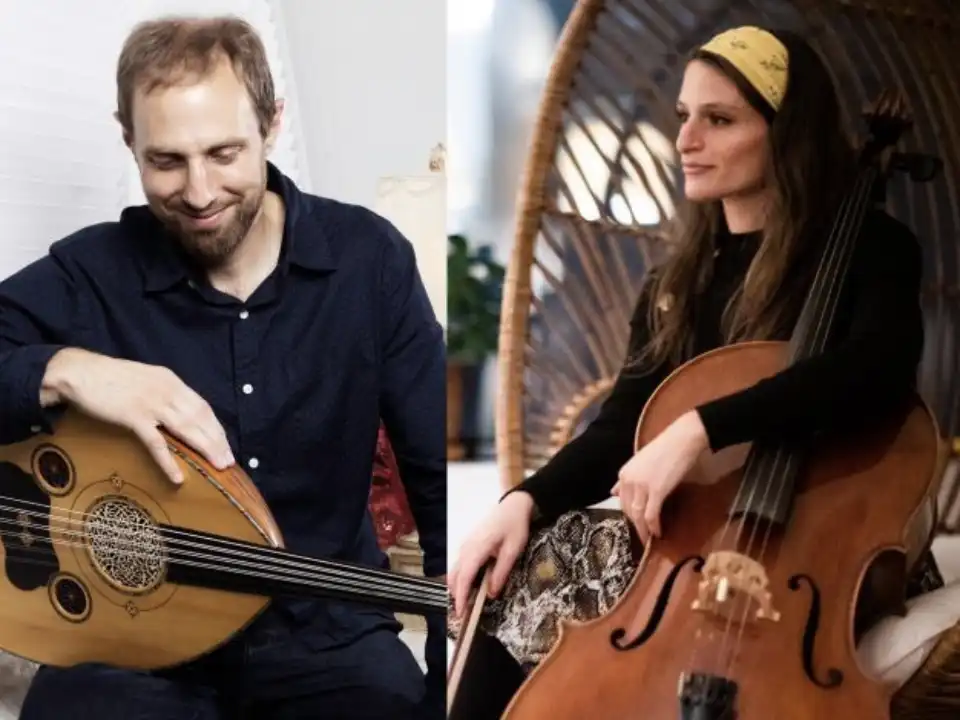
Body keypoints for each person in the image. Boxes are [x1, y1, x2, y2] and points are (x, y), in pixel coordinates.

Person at [447, 25, 942, 718]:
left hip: (831, 546)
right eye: (684, 116)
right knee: (525, 559)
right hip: (708, 539)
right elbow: (621, 426)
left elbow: (873, 371)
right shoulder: (677, 283)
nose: (686, 140)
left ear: (785, 135)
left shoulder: (875, 249)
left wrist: (696, 431)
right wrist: (522, 503)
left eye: (719, 119)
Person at [0, 15, 445, 720]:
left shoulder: (368, 259)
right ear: (129, 142)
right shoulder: (94, 271)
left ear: (272, 123)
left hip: (328, 633)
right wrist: (71, 369)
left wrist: (453, 679)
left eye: (224, 153)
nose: (200, 193)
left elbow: (436, 475)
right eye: (166, 161)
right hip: (134, 637)